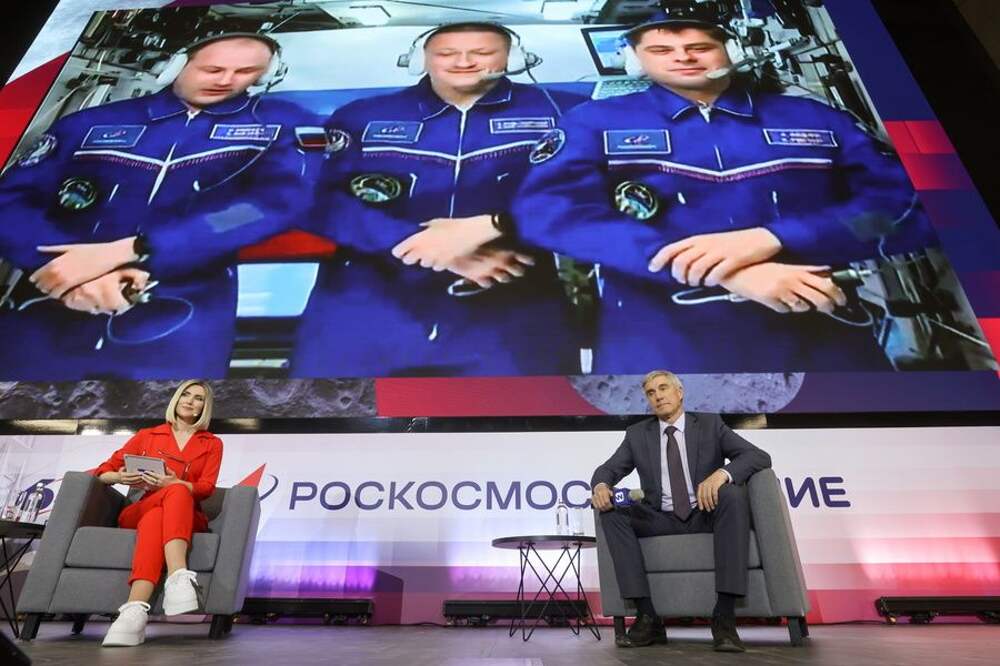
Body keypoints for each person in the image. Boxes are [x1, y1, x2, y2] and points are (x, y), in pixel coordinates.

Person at [401, 15, 938, 372]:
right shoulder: (595, 122)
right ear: (636, 58)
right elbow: (550, 214)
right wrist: (724, 271)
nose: (684, 57)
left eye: (700, 46)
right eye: (661, 48)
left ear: (729, 50)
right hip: (658, 339)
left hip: (817, 328)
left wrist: (775, 236)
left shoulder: (814, 118)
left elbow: (908, 208)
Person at [0, 33, 319, 380]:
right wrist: (60, 267)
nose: (226, 80)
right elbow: (10, 201)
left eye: (246, 71)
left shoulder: (284, 125)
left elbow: (269, 206)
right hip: (52, 303)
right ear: (175, 65)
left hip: (183, 314)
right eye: (212, 69)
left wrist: (141, 248)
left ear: (268, 74)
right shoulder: (89, 122)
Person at [290, 22, 587, 376]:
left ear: (515, 58)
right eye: (447, 53)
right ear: (422, 59)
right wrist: (417, 242)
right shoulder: (361, 116)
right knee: (338, 408)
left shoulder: (570, 113)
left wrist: (497, 227)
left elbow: (594, 193)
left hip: (512, 304)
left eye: (482, 53)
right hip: (367, 306)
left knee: (517, 409)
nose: (463, 62)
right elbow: (312, 197)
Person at [591, 370, 771, 652]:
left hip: (705, 513)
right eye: (651, 393)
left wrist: (721, 474)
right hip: (660, 517)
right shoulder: (637, 434)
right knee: (612, 512)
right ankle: (648, 617)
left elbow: (758, 456)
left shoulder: (710, 424)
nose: (658, 396)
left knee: (733, 494)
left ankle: (724, 618)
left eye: (663, 388)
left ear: (680, 392)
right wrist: (602, 485)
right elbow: (608, 469)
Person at [93, 380, 223, 647]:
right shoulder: (148, 435)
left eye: (198, 398)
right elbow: (102, 471)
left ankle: (133, 614)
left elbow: (206, 488)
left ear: (204, 407)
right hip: (141, 507)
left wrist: (174, 483)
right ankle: (178, 576)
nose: (190, 401)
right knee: (168, 498)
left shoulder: (212, 443)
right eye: (185, 394)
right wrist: (120, 477)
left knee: (166, 505)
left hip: (186, 515)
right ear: (176, 399)